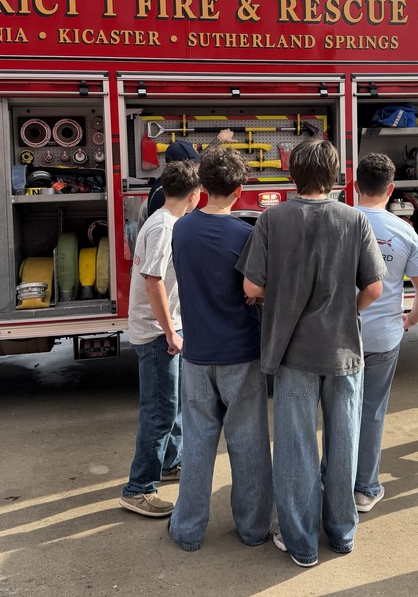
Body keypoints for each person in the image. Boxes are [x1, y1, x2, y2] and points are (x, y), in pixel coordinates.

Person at [237, 139, 386, 568]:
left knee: (295, 449)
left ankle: (301, 543)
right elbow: (374, 287)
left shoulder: (272, 218)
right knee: (344, 445)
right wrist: (345, 309)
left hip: (292, 354)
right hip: (342, 351)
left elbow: (251, 287)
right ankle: (342, 534)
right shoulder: (354, 219)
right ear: (336, 174)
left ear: (291, 173)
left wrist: (279, 298)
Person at [167, 146, 273, 550]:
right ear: (240, 189)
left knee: (196, 446)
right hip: (242, 354)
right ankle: (253, 529)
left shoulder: (181, 229)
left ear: (202, 185)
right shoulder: (246, 236)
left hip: (196, 355)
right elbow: (257, 291)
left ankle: (188, 530)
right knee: (248, 447)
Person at [352, 153, 418, 513]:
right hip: (384, 337)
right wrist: (410, 320)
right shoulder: (405, 231)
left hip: (341, 336)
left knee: (340, 411)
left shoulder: (343, 222)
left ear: (354, 186)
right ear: (391, 189)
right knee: (371, 411)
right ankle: (365, 489)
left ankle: (334, 479)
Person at [119, 161, 202, 518]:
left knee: (174, 405)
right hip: (157, 334)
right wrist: (170, 331)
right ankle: (139, 488)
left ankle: (170, 463)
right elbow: (153, 280)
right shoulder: (166, 227)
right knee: (160, 412)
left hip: (164, 329)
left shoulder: (162, 220)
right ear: (197, 195)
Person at [146, 130, 234, 218]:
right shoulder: (171, 193)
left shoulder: (168, 183)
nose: (198, 167)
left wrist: (219, 139)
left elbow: (202, 159)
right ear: (180, 167)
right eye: (195, 164)